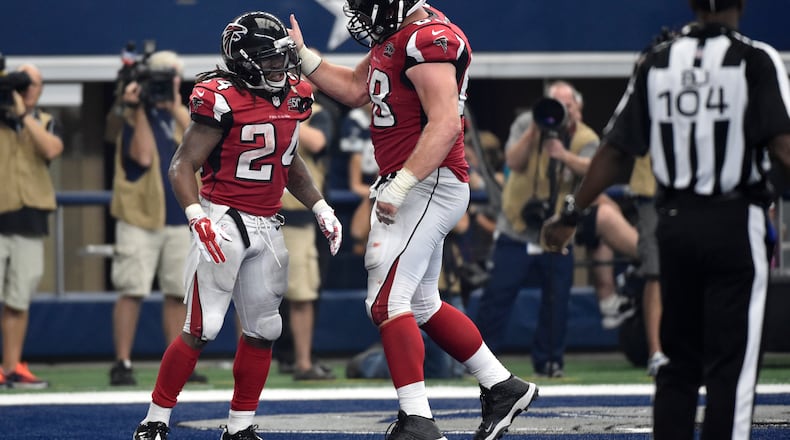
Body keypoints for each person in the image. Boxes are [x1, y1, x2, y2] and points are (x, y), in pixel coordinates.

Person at [541, 0, 790, 437]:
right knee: (730, 365)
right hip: (734, 220)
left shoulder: (658, 62)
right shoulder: (756, 58)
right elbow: (784, 146)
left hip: (674, 221)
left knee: (678, 362)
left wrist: (570, 214)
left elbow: (615, 151)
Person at [290, 2, 538, 439]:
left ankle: (417, 421)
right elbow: (351, 87)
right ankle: (502, 385)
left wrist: (402, 185)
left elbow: (444, 124)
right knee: (421, 304)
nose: (362, 12)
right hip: (417, 182)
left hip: (427, 182)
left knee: (386, 302)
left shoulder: (429, 39)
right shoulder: (400, 36)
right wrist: (304, 55)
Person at [132, 11, 342, 440]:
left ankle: (240, 427)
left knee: (264, 330)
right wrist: (196, 217)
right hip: (223, 218)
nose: (280, 67)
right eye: (269, 58)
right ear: (245, 61)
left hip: (268, 223)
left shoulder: (292, 96)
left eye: (282, 57)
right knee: (202, 327)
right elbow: (181, 164)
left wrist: (320, 206)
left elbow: (289, 160)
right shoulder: (221, 96)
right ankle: (155, 420)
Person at [475, 80, 615, 378]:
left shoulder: (585, 136)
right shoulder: (528, 123)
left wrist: (563, 154)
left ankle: (550, 361)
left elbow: (594, 171)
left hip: (556, 232)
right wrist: (536, 129)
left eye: (568, 106)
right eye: (555, 104)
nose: (561, 111)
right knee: (497, 297)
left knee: (557, 301)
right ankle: (481, 362)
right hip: (516, 228)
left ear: (577, 108)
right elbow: (513, 161)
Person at [107, 50, 207, 386]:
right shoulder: (130, 114)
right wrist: (138, 109)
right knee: (131, 289)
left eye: (173, 78)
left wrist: (174, 104)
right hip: (140, 217)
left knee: (177, 294)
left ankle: (174, 362)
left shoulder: (179, 114)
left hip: (178, 217)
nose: (169, 85)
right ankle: (122, 361)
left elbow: (202, 143)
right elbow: (144, 156)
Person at [0, 63, 62, 389]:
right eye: (21, 83)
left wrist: (22, 114)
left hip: (29, 219)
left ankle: (11, 367)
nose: (27, 89)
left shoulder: (45, 121)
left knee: (18, 298)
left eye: (32, 83)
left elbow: (52, 149)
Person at [277, 76, 336, 381]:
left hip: (298, 214)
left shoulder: (320, 112)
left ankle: (302, 361)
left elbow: (317, 141)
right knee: (250, 294)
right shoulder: (261, 104)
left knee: (302, 292)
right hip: (264, 211)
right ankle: (244, 361)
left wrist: (280, 115)